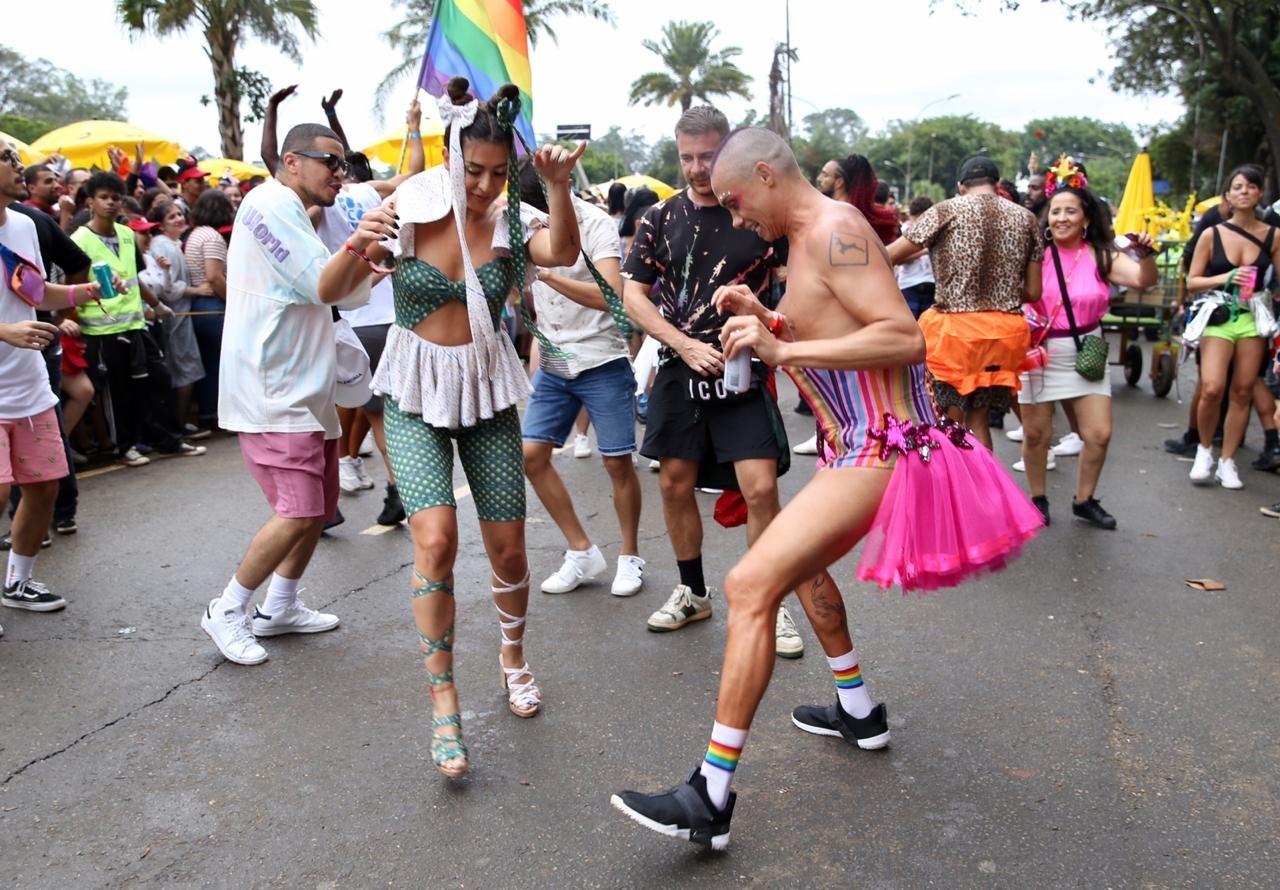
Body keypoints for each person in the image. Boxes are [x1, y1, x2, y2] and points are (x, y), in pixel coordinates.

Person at [610, 127, 1041, 850]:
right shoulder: (805, 243)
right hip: (856, 446)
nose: (739, 221)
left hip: (886, 447)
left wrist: (784, 345)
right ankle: (858, 709)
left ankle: (709, 795)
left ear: (770, 177)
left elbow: (903, 339)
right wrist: (763, 312)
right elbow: (833, 328)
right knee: (801, 568)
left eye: (741, 204)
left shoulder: (838, 231)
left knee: (750, 587)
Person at [316, 78, 585, 779]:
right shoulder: (405, 207)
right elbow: (331, 293)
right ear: (447, 154)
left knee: (511, 552)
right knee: (435, 539)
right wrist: (355, 246)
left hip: (487, 389)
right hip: (412, 390)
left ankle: (513, 656)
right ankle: (444, 700)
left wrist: (555, 187)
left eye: (499, 172)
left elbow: (559, 252)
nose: (485, 185)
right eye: (474, 171)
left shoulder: (509, 218)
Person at [621, 105, 803, 658]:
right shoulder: (659, 217)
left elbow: (798, 289)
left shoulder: (761, 214)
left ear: (730, 150)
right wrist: (682, 344)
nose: (698, 168)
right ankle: (693, 591)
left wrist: (767, 322)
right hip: (681, 368)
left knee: (761, 488)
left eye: (708, 155)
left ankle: (770, 600)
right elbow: (633, 296)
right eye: (687, 157)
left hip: (746, 371)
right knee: (675, 483)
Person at [202, 121, 366, 669]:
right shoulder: (272, 204)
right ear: (291, 161)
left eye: (344, 164)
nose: (340, 175)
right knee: (297, 512)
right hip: (275, 386)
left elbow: (336, 285)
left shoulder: (291, 208)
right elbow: (325, 283)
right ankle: (227, 609)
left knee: (316, 507)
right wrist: (364, 244)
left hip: (304, 381)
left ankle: (281, 605)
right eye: (331, 163)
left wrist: (369, 255)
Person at [516, 161, 646, 597]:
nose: (533, 224)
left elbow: (612, 295)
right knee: (531, 456)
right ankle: (581, 551)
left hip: (600, 359)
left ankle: (630, 558)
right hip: (554, 360)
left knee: (616, 463)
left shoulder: (594, 225)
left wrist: (549, 273)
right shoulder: (517, 223)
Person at [0, 137, 113, 619]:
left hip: (28, 386)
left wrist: (83, 292)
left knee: (44, 485)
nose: (17, 163)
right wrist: (5, 330)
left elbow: (33, 289)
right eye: (6, 158)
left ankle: (18, 583)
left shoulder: (26, 224)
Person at [1018, 159, 1157, 528]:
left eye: (1070, 211)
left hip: (1086, 352)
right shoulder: (1034, 256)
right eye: (1056, 211)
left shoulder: (1102, 255)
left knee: (1098, 433)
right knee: (1036, 435)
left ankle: (1085, 500)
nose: (1061, 218)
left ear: (1086, 219)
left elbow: (1143, 280)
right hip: (1037, 352)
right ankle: (1038, 498)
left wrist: (1147, 257)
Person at [887, 156, 1043, 448]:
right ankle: (982, 491)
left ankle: (956, 489)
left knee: (945, 419)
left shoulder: (943, 211)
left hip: (953, 336)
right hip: (1003, 335)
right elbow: (1034, 292)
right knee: (978, 417)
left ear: (961, 186)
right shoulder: (1026, 219)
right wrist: (1002, 290)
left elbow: (888, 256)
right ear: (997, 185)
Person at [70, 172, 203, 466]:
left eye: (116, 198)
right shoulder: (79, 239)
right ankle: (124, 447)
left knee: (159, 380)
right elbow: (74, 285)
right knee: (118, 393)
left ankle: (169, 439)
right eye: (104, 197)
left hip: (135, 323)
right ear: (91, 201)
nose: (111, 203)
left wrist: (157, 304)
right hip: (102, 329)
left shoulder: (128, 234)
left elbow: (134, 277)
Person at [1184, 164, 1280, 489]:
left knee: (1242, 390)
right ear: (1228, 194)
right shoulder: (1212, 234)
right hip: (1219, 316)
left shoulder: (1273, 235)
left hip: (1253, 317)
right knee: (1211, 387)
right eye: (1238, 186)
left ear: (1259, 194)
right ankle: (1204, 450)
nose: (1244, 191)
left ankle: (1227, 462)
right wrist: (1225, 277)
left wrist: (1270, 291)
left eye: (1251, 187)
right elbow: (1192, 281)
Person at [147, 201, 208, 434]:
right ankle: (178, 425)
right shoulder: (164, 246)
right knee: (184, 370)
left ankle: (180, 423)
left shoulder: (173, 243)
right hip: (175, 316)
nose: (178, 219)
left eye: (179, 214)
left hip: (180, 315)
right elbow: (168, 288)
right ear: (162, 225)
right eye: (171, 217)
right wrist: (196, 290)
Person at [184, 189, 234, 432]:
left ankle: (208, 414)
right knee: (227, 363)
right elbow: (214, 277)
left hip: (199, 307)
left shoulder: (195, 234)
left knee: (211, 364)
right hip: (214, 306)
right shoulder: (212, 237)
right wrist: (234, 303)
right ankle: (224, 416)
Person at [898, 195, 936, 318]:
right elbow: (899, 259)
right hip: (909, 284)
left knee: (928, 329)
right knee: (909, 326)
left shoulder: (937, 231)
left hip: (932, 284)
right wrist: (924, 251)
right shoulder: (905, 230)